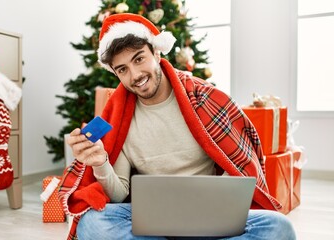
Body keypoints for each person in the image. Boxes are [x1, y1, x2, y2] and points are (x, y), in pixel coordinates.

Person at [59, 13, 296, 240]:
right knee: (92, 223)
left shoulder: (205, 99)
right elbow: (119, 194)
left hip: (209, 217)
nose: (135, 75)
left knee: (279, 228)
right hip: (152, 223)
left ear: (157, 53)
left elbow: (237, 166)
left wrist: (225, 202)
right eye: (123, 70)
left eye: (139, 59)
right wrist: (100, 163)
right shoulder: (119, 119)